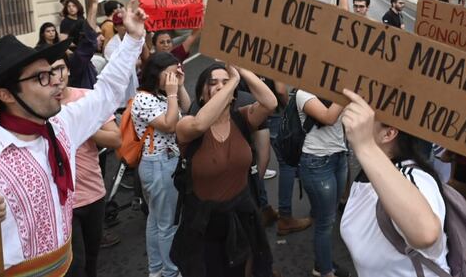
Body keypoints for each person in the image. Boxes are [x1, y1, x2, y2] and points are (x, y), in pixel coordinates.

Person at [0, 0, 146, 276]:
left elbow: (106, 93)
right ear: (5, 95)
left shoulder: (61, 124)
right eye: (41, 77)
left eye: (52, 72)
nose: (56, 81)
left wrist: (134, 38)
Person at [171, 63, 278, 276]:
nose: (221, 86)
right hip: (204, 223)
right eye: (213, 83)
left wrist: (241, 69)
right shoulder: (188, 125)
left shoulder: (242, 118)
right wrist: (232, 82)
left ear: (233, 96)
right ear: (201, 96)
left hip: (241, 214)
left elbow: (270, 102)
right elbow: (201, 124)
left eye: (225, 82)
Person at [339, 89, 450, 277]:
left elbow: (426, 234)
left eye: (368, 115)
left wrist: (365, 146)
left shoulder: (415, 179)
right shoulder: (367, 175)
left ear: (389, 133)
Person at [56, 59, 122, 277]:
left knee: (92, 259)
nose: (57, 76)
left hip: (93, 193)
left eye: (61, 68)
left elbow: (115, 139)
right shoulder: (38, 107)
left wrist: (83, 123)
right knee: (75, 265)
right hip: (61, 202)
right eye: (50, 72)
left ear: (68, 70)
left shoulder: (87, 98)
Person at [132, 52, 192, 277]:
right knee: (168, 223)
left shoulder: (163, 95)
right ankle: (171, 271)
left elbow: (186, 108)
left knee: (156, 220)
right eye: (169, 75)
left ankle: (156, 269)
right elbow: (169, 125)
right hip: (158, 163)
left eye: (175, 75)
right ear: (155, 74)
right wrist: (172, 93)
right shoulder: (144, 98)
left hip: (163, 161)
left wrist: (180, 88)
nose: (172, 80)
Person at [296, 90, 349, 277]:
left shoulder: (333, 91)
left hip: (339, 157)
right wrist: (349, 90)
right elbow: (328, 117)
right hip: (316, 162)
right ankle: (324, 271)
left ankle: (322, 261)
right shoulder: (303, 92)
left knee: (330, 216)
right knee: (325, 222)